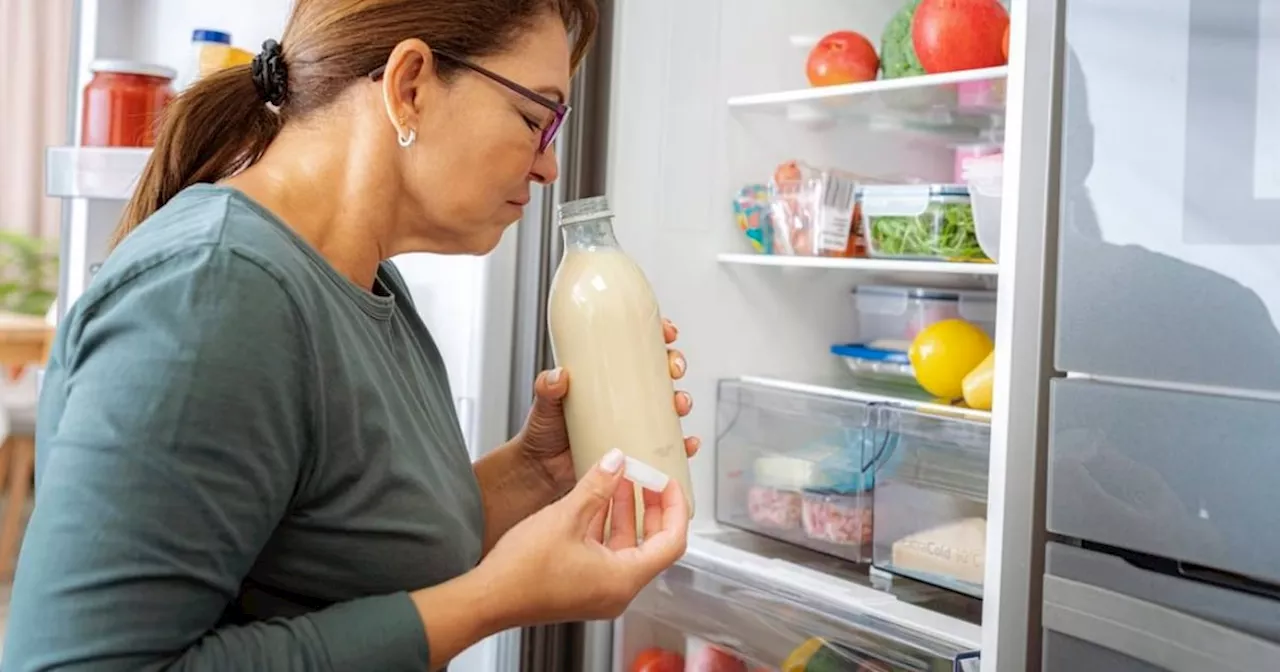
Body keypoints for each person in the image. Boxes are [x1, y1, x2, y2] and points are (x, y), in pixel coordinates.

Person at [3, 1, 697, 670]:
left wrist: (537, 471)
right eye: (534, 118)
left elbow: (349, 557)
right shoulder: (213, 293)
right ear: (411, 84)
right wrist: (492, 601)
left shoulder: (369, 285)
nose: (548, 166)